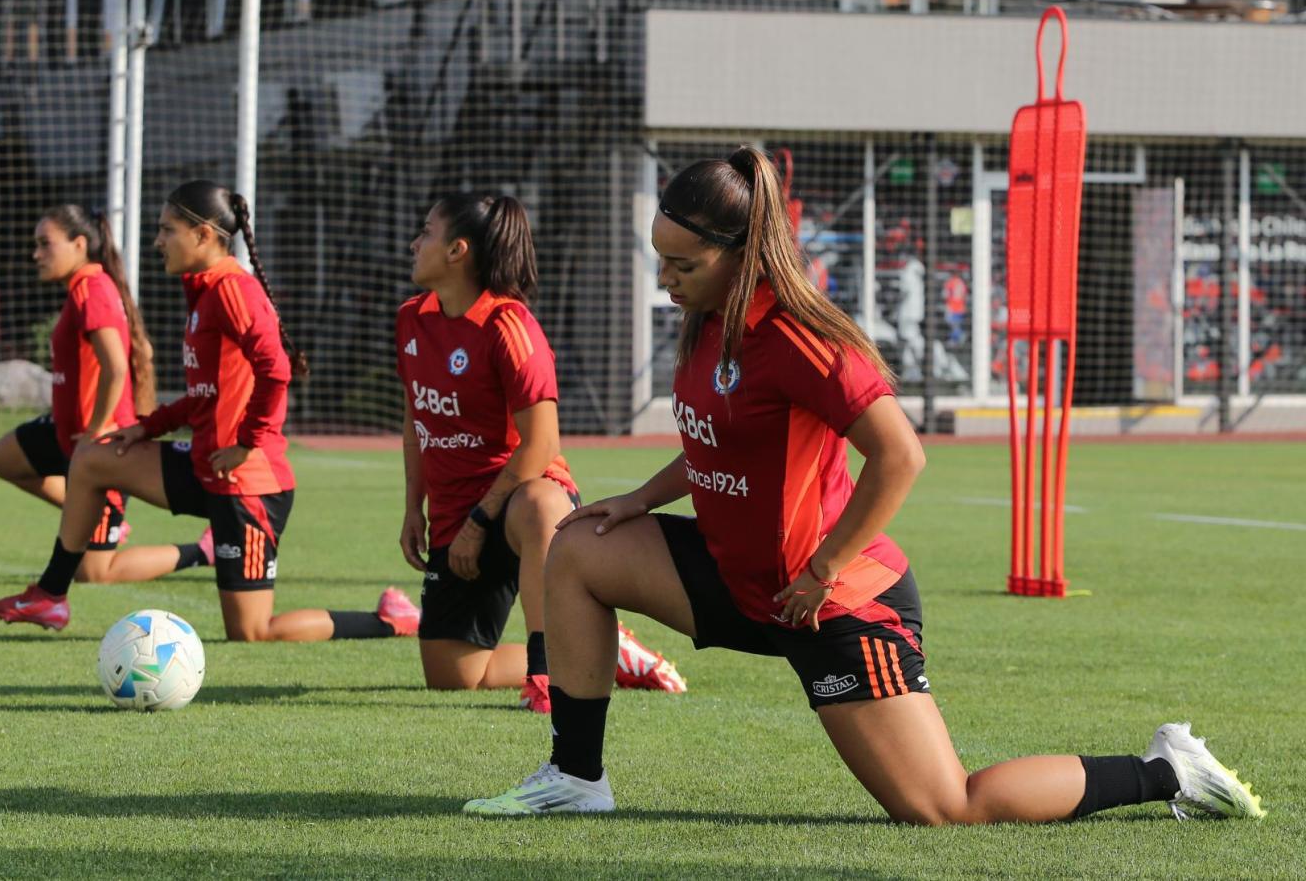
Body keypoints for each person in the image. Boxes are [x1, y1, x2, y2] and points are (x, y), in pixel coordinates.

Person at [463, 148, 1266, 823]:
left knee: (945, 807)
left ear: (742, 255)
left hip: (831, 601)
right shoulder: (709, 322)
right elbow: (720, 442)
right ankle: (576, 779)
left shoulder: (800, 337)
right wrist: (641, 500)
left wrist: (822, 570)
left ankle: (1168, 770)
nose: (666, 279)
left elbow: (900, 457)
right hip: (743, 583)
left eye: (683, 264)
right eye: (660, 260)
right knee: (577, 546)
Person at [0, 181, 410, 642]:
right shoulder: (203, 291)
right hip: (207, 465)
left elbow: (276, 370)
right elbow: (205, 395)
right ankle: (49, 595)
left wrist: (246, 444)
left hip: (247, 483)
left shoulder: (233, 290)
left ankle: (389, 620)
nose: (157, 241)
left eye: (168, 230)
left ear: (203, 235)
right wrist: (146, 428)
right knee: (93, 458)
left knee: (252, 632)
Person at [395, 192, 685, 713]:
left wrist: (479, 522)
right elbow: (415, 420)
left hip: (512, 506)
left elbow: (542, 444)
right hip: (454, 513)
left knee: (541, 502)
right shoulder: (412, 319)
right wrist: (413, 507)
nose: (415, 244)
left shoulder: (509, 326)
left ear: (458, 251)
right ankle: (613, 652)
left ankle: (547, 675)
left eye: (427, 233)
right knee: (452, 677)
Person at [0, 204, 210, 584]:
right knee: (1, 458)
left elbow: (116, 367)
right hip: (68, 436)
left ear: (79, 244)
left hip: (99, 445)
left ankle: (204, 550)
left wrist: (96, 431)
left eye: (45, 244)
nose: (36, 254)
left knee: (93, 573)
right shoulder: (81, 289)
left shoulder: (92, 290)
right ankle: (83, 509)